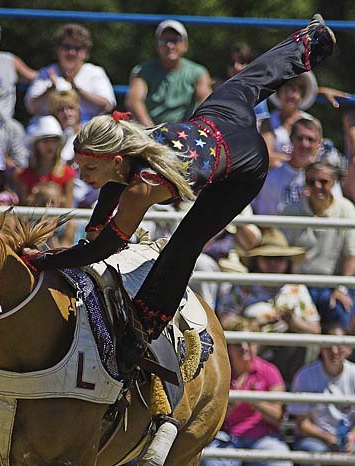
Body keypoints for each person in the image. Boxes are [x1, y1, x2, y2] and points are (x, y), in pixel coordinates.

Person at [23, 16, 336, 365]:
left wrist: (47, 260)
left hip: (245, 165)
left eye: (89, 168)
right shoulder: (130, 145)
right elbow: (110, 185)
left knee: (183, 247)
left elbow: (102, 249)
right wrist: (96, 223)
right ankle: (311, 40)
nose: (83, 175)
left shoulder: (143, 187)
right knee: (249, 80)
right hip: (217, 120)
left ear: (114, 158)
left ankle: (144, 328)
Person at [200, 317, 293, 466]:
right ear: (229, 347)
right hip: (228, 436)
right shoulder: (220, 371)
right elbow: (210, 417)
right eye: (239, 343)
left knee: (281, 462)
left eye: (250, 342)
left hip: (262, 437)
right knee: (211, 458)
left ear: (257, 345)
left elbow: (278, 417)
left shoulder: (269, 372)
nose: (245, 348)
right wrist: (229, 406)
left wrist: (253, 399)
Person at [218, 229, 321, 385]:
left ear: (287, 262)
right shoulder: (243, 286)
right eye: (268, 258)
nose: (273, 263)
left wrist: (293, 322)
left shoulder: (297, 288)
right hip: (250, 349)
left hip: (287, 352)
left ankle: (294, 388)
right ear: (257, 260)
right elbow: (224, 322)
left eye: (279, 259)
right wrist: (256, 323)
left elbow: (316, 329)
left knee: (308, 344)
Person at [289, 324, 355, 466]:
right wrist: (329, 439)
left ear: (348, 349)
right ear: (322, 348)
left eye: (340, 345)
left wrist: (352, 437)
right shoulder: (306, 375)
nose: (335, 350)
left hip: (348, 439)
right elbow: (303, 423)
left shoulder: (353, 374)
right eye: (329, 345)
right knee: (313, 454)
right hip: (315, 437)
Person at [280, 160, 355, 330]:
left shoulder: (346, 209)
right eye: (311, 181)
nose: (317, 186)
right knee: (286, 322)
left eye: (323, 181)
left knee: (341, 310)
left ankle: (336, 356)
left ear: (334, 182)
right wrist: (290, 288)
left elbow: (351, 255)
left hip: (333, 285)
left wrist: (340, 288)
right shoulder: (290, 211)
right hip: (298, 286)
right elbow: (281, 253)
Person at [126, 19, 211, 128]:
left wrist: (194, 128)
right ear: (157, 46)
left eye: (175, 40)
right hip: (149, 131)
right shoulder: (142, 71)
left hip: (184, 133)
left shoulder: (198, 72)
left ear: (185, 45)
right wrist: (151, 130)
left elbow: (205, 101)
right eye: (164, 41)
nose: (170, 45)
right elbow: (134, 101)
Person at [25, 23, 115, 124]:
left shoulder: (95, 72)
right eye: (66, 47)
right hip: (52, 132)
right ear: (57, 49)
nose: (71, 52)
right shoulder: (46, 73)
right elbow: (31, 107)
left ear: (85, 52)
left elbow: (106, 105)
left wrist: (78, 90)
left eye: (77, 48)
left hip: (88, 128)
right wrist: (50, 90)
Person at [252, 117, 323, 215]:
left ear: (318, 143)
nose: (304, 144)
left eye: (310, 139)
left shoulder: (324, 178)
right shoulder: (272, 178)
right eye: (300, 138)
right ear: (291, 139)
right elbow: (265, 224)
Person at [260, 73, 318, 168]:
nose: (291, 95)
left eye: (295, 91)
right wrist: (296, 161)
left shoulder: (312, 122)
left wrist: (282, 158)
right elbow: (267, 156)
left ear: (301, 95)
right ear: (279, 93)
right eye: (286, 90)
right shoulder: (268, 123)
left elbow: (314, 156)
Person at [18, 115, 75, 208]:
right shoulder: (25, 174)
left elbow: (68, 206)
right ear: (36, 145)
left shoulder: (67, 173)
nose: (50, 145)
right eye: (46, 141)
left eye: (54, 141)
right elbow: (23, 206)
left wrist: (53, 196)